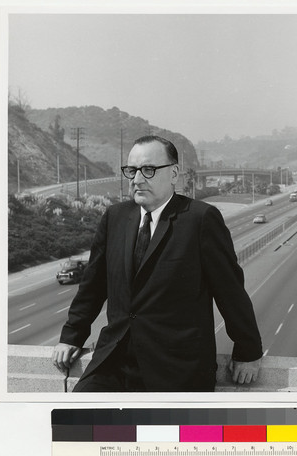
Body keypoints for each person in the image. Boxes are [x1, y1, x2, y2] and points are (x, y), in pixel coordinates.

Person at [52, 135, 262, 392]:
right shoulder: (115, 218)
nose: (137, 179)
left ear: (174, 174)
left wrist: (248, 351)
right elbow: (93, 286)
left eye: (149, 170)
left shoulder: (201, 219)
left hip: (176, 369)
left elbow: (230, 292)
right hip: (114, 361)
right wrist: (71, 336)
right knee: (75, 423)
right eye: (132, 170)